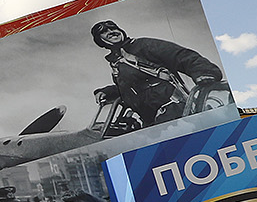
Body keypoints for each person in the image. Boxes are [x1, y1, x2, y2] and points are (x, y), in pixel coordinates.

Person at [90, 19, 226, 129]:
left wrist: (204, 71)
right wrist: (106, 92)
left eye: (113, 28)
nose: (111, 32)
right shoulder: (116, 63)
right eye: (104, 32)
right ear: (100, 40)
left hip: (172, 110)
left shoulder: (143, 45)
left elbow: (179, 55)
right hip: (150, 120)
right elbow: (128, 89)